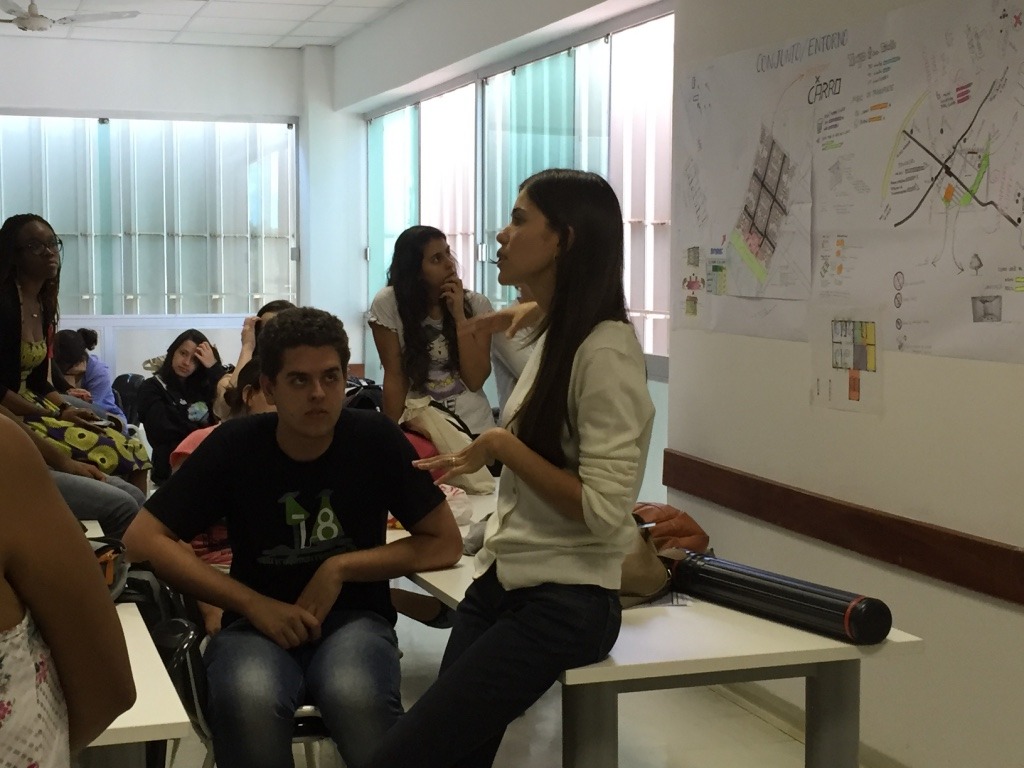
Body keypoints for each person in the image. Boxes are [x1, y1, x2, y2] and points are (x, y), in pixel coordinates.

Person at [367, 169, 656, 768]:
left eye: (519, 219)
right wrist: (513, 316)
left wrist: (500, 443)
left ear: (563, 239)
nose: (500, 234)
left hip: (565, 602)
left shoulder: (605, 352)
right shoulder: (559, 335)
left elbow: (605, 513)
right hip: (502, 582)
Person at [122, 306, 463, 768]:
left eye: (331, 377)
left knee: (356, 694)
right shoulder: (235, 444)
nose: (318, 393)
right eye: (299, 380)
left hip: (355, 619)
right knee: (249, 700)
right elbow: (142, 540)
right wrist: (251, 603)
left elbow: (444, 542)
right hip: (253, 625)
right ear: (268, 388)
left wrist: (341, 567)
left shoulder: (374, 439)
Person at [0, 415, 136, 764]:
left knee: (126, 456)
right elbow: (109, 690)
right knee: (126, 501)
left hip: (43, 417)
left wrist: (64, 413)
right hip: (37, 421)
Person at [0, 213, 151, 494]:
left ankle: (130, 511)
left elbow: (37, 381)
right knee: (113, 452)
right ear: (14, 255)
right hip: (12, 411)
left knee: (133, 447)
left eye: (52, 243)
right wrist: (52, 414)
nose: (49, 252)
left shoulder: (42, 303)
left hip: (32, 401)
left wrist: (65, 409)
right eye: (35, 246)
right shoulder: (6, 305)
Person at [368, 226, 496, 437]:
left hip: (474, 427)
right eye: (436, 259)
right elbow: (395, 376)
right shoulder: (389, 303)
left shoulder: (477, 304)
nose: (449, 264)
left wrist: (459, 317)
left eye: (448, 253)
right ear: (415, 271)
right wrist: (392, 437)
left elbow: (475, 380)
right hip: (421, 428)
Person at [137, 329, 225, 485]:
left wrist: (214, 368)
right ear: (173, 352)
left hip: (210, 464)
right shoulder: (152, 387)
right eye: (183, 353)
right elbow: (161, 430)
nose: (186, 363)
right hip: (170, 469)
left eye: (195, 359)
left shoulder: (204, 387)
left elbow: (230, 409)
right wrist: (201, 430)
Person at [213, 299, 296, 420]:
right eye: (268, 331)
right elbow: (228, 407)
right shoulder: (228, 381)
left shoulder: (308, 376)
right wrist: (247, 346)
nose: (277, 338)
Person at [52, 328, 129, 429]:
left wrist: (70, 379)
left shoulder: (98, 371)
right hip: (73, 416)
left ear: (79, 361)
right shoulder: (55, 365)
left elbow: (90, 410)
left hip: (109, 418)